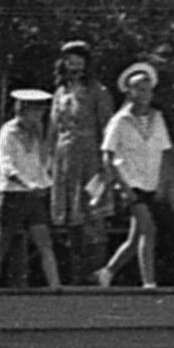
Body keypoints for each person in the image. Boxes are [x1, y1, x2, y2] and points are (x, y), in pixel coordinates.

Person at [95, 62, 174, 289]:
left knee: (136, 236)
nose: (144, 94)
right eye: (139, 89)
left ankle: (107, 272)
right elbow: (108, 154)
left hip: (150, 181)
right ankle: (149, 282)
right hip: (129, 183)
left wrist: (163, 183)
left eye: (147, 90)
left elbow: (165, 151)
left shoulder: (157, 118)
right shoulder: (120, 120)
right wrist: (121, 185)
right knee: (149, 229)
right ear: (129, 92)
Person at [45, 41, 114, 283]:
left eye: (78, 59)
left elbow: (107, 129)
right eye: (69, 59)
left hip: (90, 159)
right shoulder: (60, 92)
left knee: (93, 217)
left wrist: (107, 165)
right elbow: (53, 130)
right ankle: (75, 276)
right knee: (70, 220)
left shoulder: (97, 91)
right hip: (65, 159)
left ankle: (96, 274)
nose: (73, 64)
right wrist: (48, 160)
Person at [0, 88, 64, 291]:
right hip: (12, 194)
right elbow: (6, 167)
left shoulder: (37, 134)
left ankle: (55, 286)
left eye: (41, 110)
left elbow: (42, 164)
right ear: (23, 110)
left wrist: (45, 183)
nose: (40, 114)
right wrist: (27, 184)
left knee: (44, 242)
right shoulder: (8, 133)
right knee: (2, 242)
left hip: (34, 196)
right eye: (36, 110)